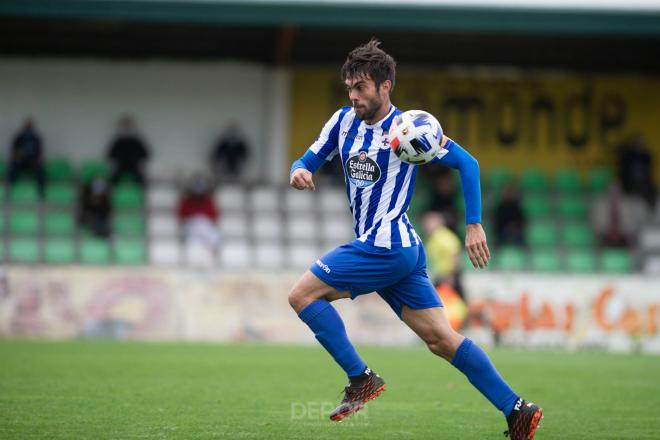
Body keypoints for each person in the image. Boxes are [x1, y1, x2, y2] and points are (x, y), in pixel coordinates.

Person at [288, 39, 542, 440]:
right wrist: (299, 171)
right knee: (442, 340)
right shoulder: (341, 122)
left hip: (384, 245)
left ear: (385, 85)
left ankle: (361, 378)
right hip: (400, 251)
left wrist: (473, 224)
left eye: (362, 88)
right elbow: (309, 158)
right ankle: (518, 410)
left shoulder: (410, 130)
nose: (354, 96)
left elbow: (467, 163)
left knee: (302, 295)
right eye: (350, 88)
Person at [422, 211, 464, 299]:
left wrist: (451, 275)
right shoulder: (433, 238)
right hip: (440, 275)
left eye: (430, 222)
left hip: (448, 275)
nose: (427, 225)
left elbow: (455, 255)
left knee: (453, 301)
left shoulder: (444, 236)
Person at [177, 174, 221, 254]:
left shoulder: (208, 200)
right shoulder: (187, 200)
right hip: (191, 224)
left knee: (215, 236)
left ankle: (212, 252)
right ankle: (195, 254)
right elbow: (182, 214)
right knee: (194, 242)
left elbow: (214, 215)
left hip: (206, 224)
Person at [107, 115, 150, 185]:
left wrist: (137, 158)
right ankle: (112, 194)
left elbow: (146, 153)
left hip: (134, 166)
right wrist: (118, 158)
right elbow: (110, 154)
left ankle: (141, 194)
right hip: (121, 166)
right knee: (112, 180)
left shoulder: (137, 140)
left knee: (142, 180)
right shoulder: (118, 140)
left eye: (129, 126)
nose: (127, 128)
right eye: (125, 126)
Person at [8, 117, 46, 196]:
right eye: (27, 126)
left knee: (40, 169)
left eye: (30, 126)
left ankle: (41, 192)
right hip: (21, 161)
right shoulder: (19, 137)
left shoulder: (36, 138)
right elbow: (14, 151)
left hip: (32, 161)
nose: (29, 129)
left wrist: (38, 160)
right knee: (12, 166)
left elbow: (40, 153)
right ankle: (9, 189)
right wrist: (17, 155)